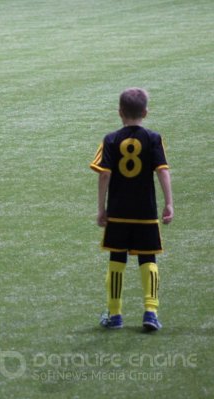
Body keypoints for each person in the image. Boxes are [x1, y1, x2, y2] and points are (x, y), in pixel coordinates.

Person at [90, 87, 173, 331]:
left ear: (119, 112)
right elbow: (163, 171)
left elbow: (104, 174)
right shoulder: (153, 138)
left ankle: (115, 315)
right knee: (148, 258)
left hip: (118, 211)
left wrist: (101, 208)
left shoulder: (110, 139)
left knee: (117, 259)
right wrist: (169, 203)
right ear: (145, 112)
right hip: (145, 211)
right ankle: (151, 312)